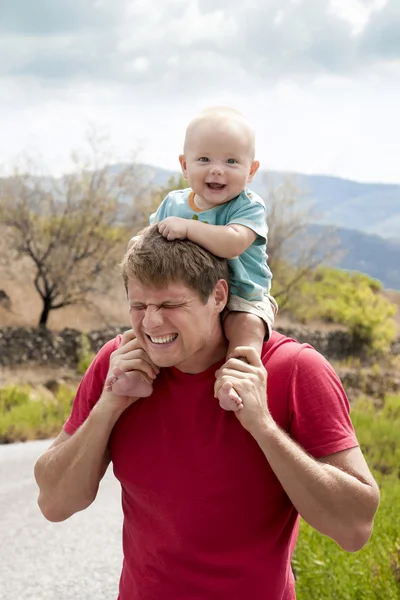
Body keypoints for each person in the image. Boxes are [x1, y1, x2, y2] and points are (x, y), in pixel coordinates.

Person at [34, 225, 379, 600]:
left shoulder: (294, 369)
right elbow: (54, 503)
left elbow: (354, 528)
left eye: (170, 305)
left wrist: (262, 426)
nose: (151, 323)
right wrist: (109, 404)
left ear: (218, 295)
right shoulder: (116, 365)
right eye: (139, 306)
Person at [108, 106, 277, 412]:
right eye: (204, 159)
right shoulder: (174, 202)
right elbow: (151, 238)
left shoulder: (248, 206)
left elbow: (234, 242)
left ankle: (235, 384)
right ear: (184, 166)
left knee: (245, 333)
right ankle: (134, 375)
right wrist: (136, 244)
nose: (216, 169)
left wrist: (189, 227)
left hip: (244, 294)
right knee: (149, 329)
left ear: (251, 171)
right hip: (188, 295)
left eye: (231, 161)